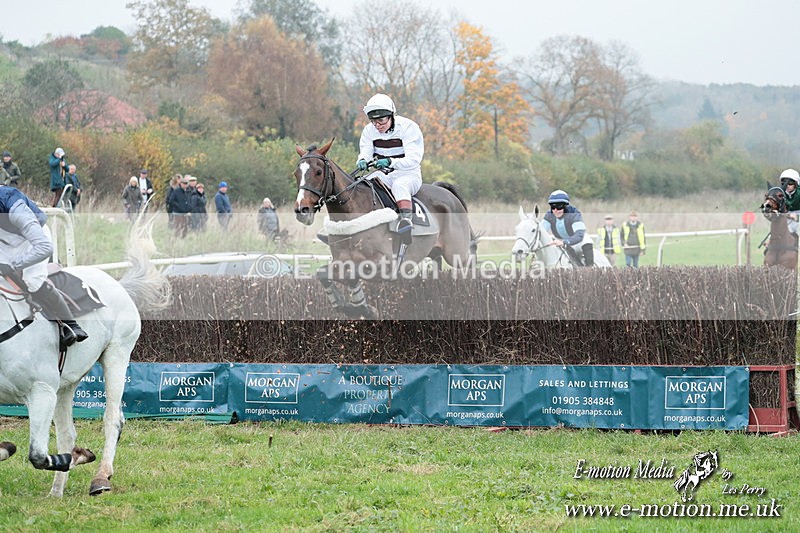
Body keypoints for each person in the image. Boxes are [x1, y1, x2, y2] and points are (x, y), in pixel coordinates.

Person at [0, 184, 88, 345]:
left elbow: (44, 248)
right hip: (4, 241)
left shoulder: (14, 205)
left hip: (32, 241)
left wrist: (13, 266)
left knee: (32, 281)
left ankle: (71, 324)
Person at [356, 93, 423, 237]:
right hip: (383, 175)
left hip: (409, 174)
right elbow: (366, 152)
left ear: (391, 115)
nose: (377, 125)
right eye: (374, 121)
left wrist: (390, 161)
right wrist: (362, 160)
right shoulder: (369, 130)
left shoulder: (408, 127)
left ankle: (406, 224)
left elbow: (414, 159)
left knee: (400, 185)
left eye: (381, 121)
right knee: (362, 184)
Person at [541, 190, 594, 267]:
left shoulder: (574, 214)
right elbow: (541, 232)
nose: (555, 210)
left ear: (566, 206)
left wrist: (566, 242)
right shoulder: (549, 215)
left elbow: (579, 234)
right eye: (553, 206)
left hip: (576, 241)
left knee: (587, 240)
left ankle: (590, 269)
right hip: (559, 241)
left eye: (559, 207)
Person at [779, 169, 800, 235]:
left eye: (790, 183)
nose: (787, 186)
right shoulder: (779, 194)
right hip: (786, 219)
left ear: (796, 184)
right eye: (784, 183)